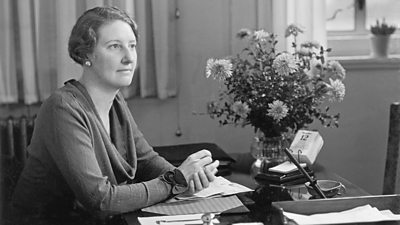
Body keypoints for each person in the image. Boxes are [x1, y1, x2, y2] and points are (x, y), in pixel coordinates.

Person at [9, 6, 219, 225]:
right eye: (115, 47)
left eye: (132, 46)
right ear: (85, 54)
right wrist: (175, 180)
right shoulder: (62, 108)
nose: (129, 58)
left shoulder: (116, 101)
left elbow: (146, 160)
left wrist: (186, 177)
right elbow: (100, 200)